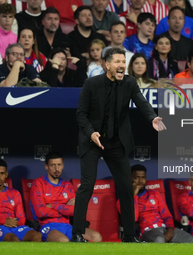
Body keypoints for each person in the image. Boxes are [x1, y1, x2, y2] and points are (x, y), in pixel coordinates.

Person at [71, 47, 166, 243]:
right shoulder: (91, 84)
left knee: (125, 188)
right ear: (107, 65)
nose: (122, 65)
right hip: (92, 140)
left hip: (116, 142)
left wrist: (152, 118)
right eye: (117, 62)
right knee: (87, 186)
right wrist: (91, 133)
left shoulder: (130, 82)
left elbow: (141, 102)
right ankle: (77, 234)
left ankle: (129, 236)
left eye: (123, 61)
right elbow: (80, 114)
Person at [30, 151, 102, 242]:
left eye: (59, 165)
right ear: (46, 167)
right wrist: (65, 208)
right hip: (48, 226)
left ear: (63, 165)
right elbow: (40, 212)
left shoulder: (67, 185)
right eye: (53, 165)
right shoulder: (38, 184)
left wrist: (52, 206)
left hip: (67, 226)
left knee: (96, 236)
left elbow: (75, 211)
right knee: (62, 240)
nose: (57, 169)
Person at [117, 164, 193, 243]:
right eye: (136, 178)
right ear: (129, 179)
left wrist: (170, 229)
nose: (140, 181)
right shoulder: (124, 199)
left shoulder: (154, 194)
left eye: (143, 178)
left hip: (164, 228)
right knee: (159, 239)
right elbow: (133, 218)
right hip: (147, 231)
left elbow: (166, 214)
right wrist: (133, 195)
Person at [0, 159, 42, 242]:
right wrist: (4, 221)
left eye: (2, 173)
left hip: (15, 226)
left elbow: (21, 218)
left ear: (6, 175)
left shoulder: (15, 193)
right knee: (13, 239)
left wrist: (14, 222)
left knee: (37, 236)